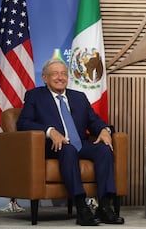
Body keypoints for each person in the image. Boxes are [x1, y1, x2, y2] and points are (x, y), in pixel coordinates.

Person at [16, 58, 124, 226]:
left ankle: (104, 206)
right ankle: (81, 207)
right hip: (54, 146)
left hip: (79, 143)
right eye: (55, 74)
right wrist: (50, 131)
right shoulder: (35, 96)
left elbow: (94, 121)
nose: (60, 77)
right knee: (68, 150)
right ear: (45, 78)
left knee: (104, 149)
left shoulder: (79, 97)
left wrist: (104, 130)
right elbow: (23, 123)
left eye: (64, 74)